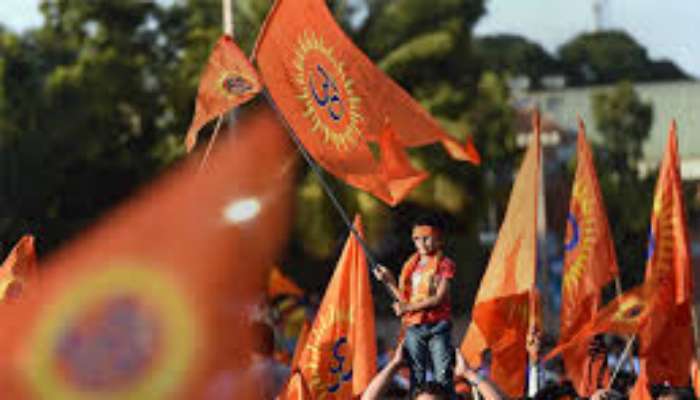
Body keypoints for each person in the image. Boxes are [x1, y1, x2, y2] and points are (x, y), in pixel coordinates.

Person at [374, 215, 456, 396]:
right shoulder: (411, 266)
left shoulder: (444, 264)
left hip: (437, 325)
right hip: (415, 326)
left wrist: (407, 309)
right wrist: (388, 281)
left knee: (442, 373)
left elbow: (439, 298)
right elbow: (405, 300)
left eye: (426, 237)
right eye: (417, 238)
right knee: (415, 374)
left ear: (438, 239)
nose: (421, 243)